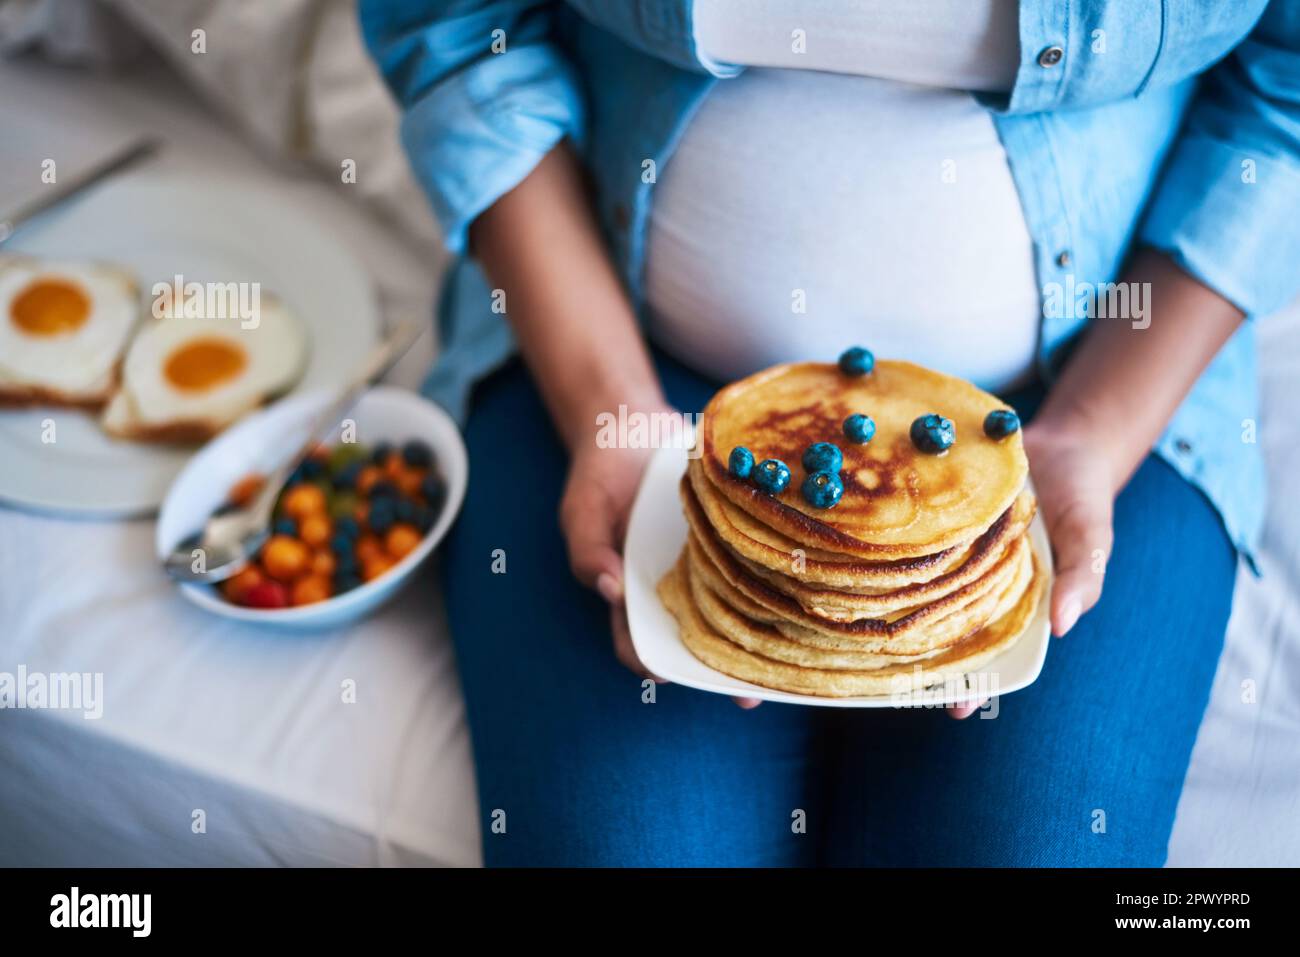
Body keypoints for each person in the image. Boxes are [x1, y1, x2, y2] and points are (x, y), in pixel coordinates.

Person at [360, 0, 1299, 865]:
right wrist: (605, 401)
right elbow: (454, 30)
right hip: (612, 361)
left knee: (1037, 845)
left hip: (1107, 383)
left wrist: (1094, 431)